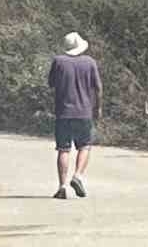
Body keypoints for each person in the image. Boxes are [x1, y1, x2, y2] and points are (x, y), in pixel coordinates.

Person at [47, 31, 102, 200]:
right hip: (84, 112)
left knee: (63, 149)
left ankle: (62, 186)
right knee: (84, 147)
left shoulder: (58, 61)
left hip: (63, 112)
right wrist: (98, 108)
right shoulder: (90, 62)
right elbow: (98, 88)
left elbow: (51, 84)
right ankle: (77, 176)